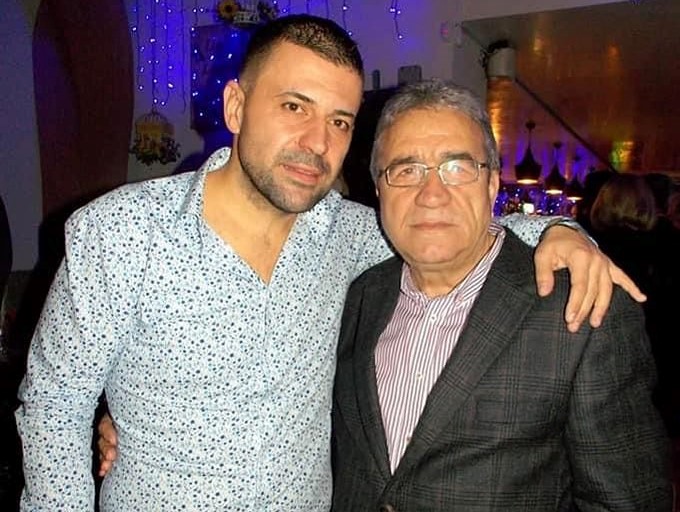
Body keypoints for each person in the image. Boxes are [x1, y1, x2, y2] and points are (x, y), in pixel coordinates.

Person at [17, 15, 641, 511]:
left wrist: (561, 229)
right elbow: (53, 409)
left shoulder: (353, 236)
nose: (317, 143)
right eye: (294, 107)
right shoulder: (119, 232)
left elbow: (446, 225)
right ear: (236, 107)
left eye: (339, 121)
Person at [331, 79, 670, 511]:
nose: (431, 194)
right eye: (406, 170)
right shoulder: (359, 296)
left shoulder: (583, 309)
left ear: (492, 184)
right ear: (379, 189)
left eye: (457, 167)